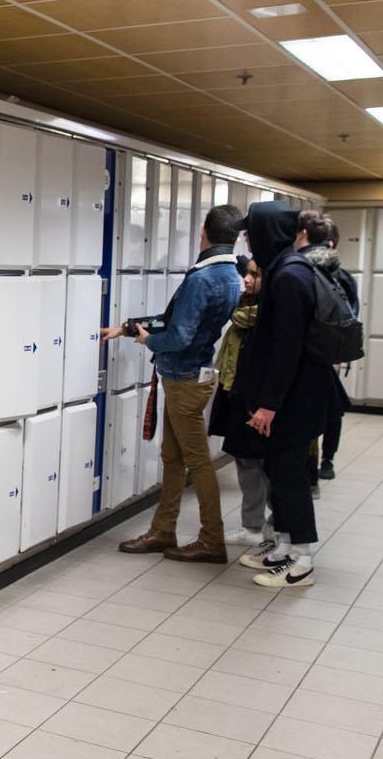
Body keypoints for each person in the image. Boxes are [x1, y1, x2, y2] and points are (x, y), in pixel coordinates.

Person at [109, 204, 243, 563]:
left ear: (204, 231)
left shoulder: (202, 278)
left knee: (197, 462)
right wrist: (126, 328)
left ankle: (211, 540)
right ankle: (163, 530)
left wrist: (147, 341)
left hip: (184, 379)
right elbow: (175, 320)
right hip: (192, 376)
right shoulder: (231, 274)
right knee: (173, 457)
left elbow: (178, 335)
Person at [225, 205, 338, 588]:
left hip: (293, 402)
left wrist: (269, 405)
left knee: (290, 478)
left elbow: (286, 349)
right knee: (278, 471)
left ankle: (302, 562)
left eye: (250, 232)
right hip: (292, 398)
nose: (246, 239)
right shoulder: (285, 269)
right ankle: (285, 548)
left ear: (267, 232)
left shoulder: (289, 276)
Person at [211, 256, 273, 547]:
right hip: (236, 391)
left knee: (267, 467)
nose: (246, 280)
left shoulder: (272, 315)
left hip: (260, 400)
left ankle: (275, 528)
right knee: (246, 462)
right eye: (246, 274)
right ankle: (253, 526)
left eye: (254, 275)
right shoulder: (243, 307)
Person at [310, 219, 359, 482]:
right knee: (325, 406)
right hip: (321, 352)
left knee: (330, 406)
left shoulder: (340, 278)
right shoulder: (308, 271)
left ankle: (326, 459)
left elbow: (350, 316)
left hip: (329, 353)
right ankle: (319, 461)